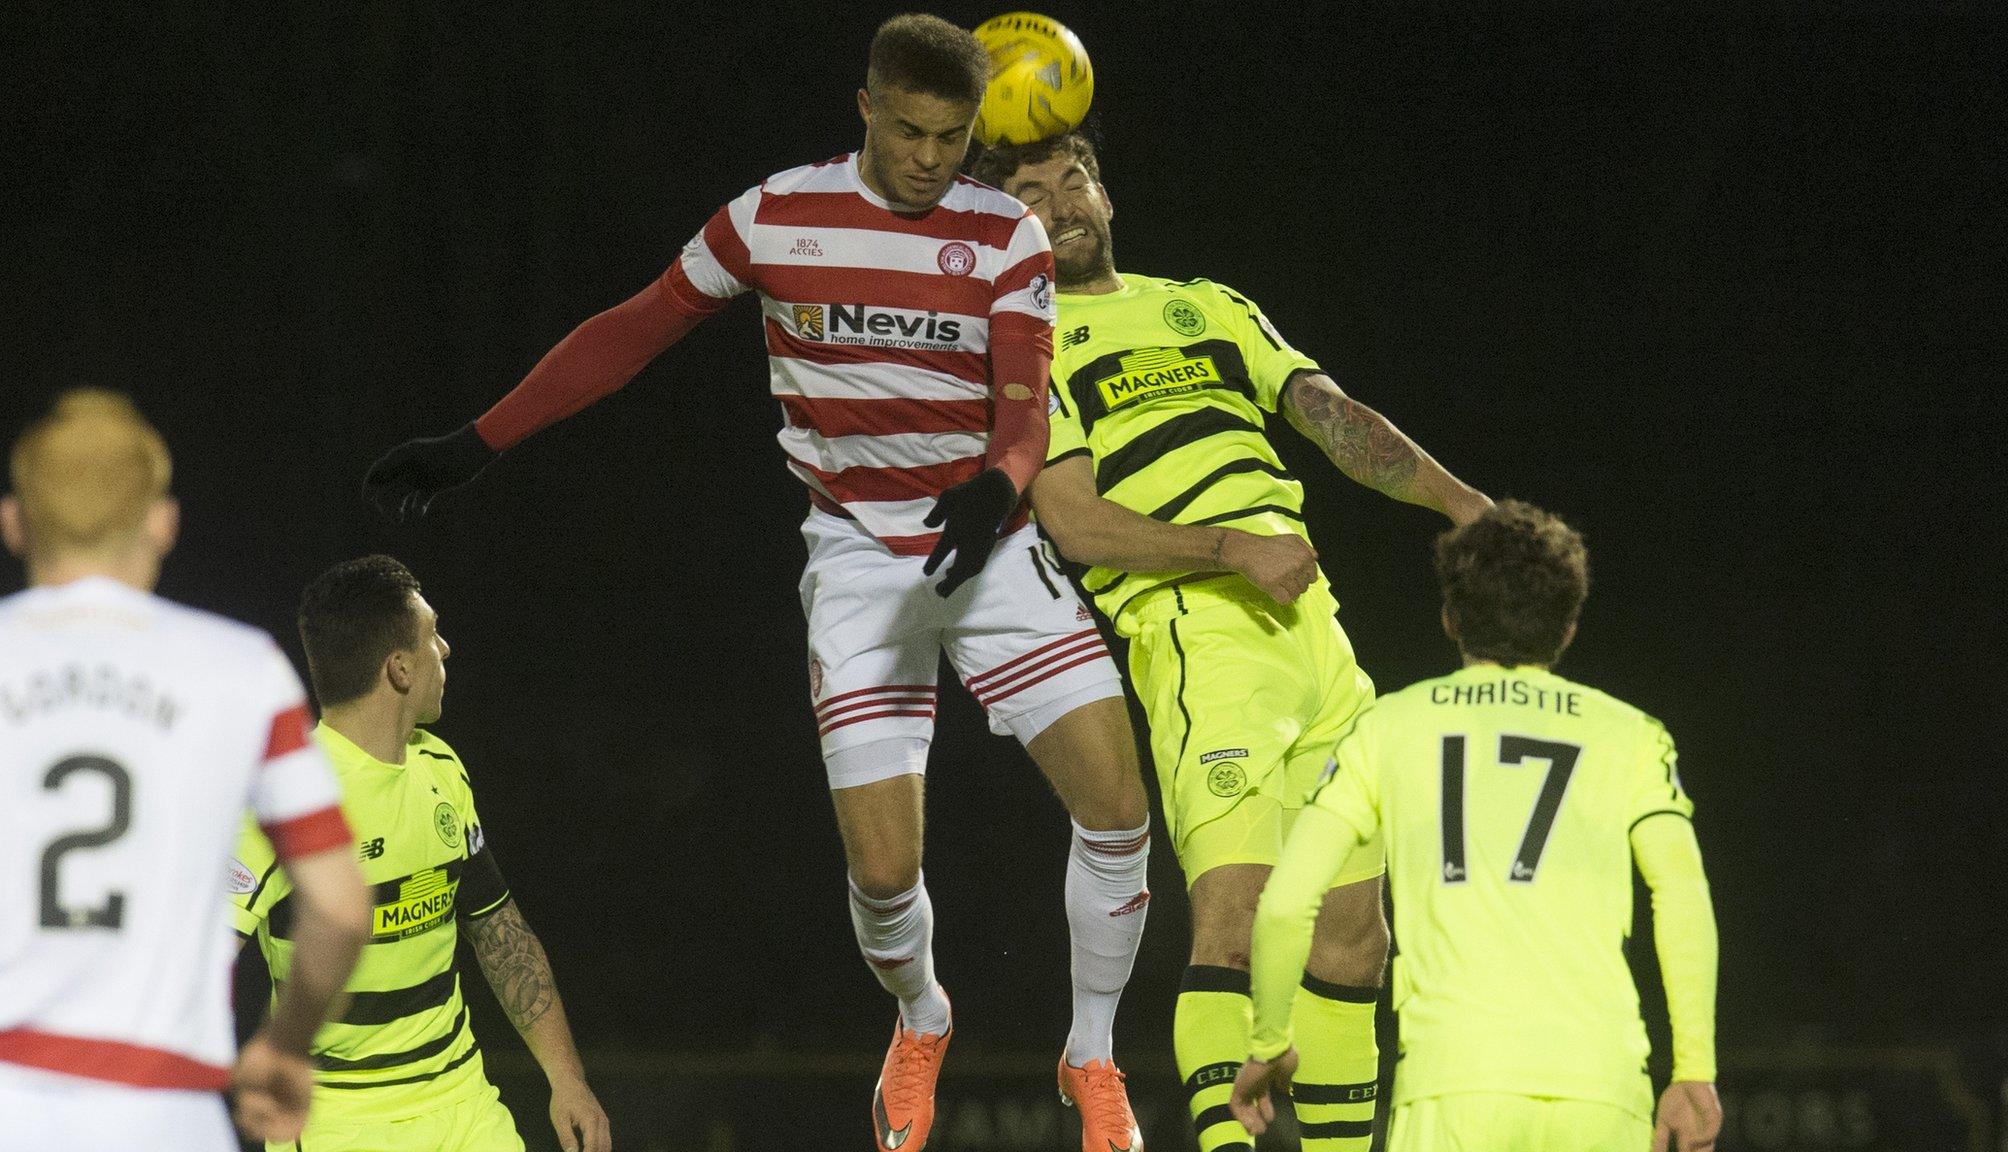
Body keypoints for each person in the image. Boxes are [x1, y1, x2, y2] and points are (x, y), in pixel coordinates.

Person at [360, 17, 1151, 1152]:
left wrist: (1001, 483)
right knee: (883, 874)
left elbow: (1023, 397)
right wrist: (478, 441)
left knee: (1117, 811)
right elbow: (632, 332)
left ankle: (1091, 1054)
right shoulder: (773, 216)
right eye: (912, 131)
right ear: (867, 108)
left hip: (984, 549)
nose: (931, 158)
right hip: (856, 561)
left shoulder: (1003, 235)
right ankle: (921, 1016)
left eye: (952, 136)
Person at [973, 133, 1491, 1152]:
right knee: (1238, 920)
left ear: (1103, 190)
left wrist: (1458, 501)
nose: (1058, 204)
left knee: (1353, 937)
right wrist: (1224, 550)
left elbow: (1330, 416)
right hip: (1197, 633)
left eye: (1069, 180)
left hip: (1313, 632)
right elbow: (1074, 524)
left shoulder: (1207, 305)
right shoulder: (1019, 349)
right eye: (1027, 196)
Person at [1231, 501, 1722, 1152]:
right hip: (1599, 1089)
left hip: (1452, 1089)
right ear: (1568, 628)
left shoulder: (1386, 729)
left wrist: (1269, 1040)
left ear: (1450, 618)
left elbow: (1287, 904)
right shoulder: (1632, 736)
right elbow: (1682, 895)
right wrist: (1694, 1070)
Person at [0, 389, 369, 1150]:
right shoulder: (240, 670)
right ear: (163, 523)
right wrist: (284, 1045)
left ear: (13, 522)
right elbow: (338, 907)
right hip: (166, 1113)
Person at [232, 555, 610, 1151]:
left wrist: (568, 1080)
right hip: (339, 1117)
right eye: (432, 634)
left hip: (461, 1097)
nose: (447, 648)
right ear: (401, 668)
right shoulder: (283, 799)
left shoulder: (442, 769)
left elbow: (498, 930)